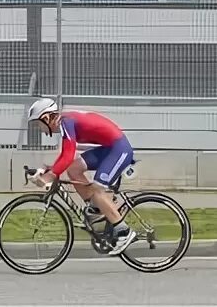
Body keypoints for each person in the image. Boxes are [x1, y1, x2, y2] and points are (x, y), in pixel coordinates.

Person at [27, 98, 137, 256]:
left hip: (119, 150)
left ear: (45, 118)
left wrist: (49, 177)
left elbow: (68, 154)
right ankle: (98, 208)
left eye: (38, 123)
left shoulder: (65, 122)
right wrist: (51, 170)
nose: (39, 128)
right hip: (109, 148)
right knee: (73, 169)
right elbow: (66, 157)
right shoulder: (64, 122)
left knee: (97, 190)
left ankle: (123, 231)